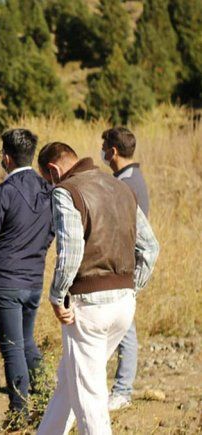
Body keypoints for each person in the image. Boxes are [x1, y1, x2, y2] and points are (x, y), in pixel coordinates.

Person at [36, 143, 159, 434]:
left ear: (53, 171)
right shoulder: (120, 188)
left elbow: (71, 251)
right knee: (70, 382)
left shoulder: (67, 191)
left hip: (88, 307)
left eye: (47, 179)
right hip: (123, 304)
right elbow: (151, 247)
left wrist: (57, 296)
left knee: (89, 399)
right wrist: (131, 288)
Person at [0, 129, 54, 426]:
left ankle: (19, 415)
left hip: (5, 281)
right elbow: (51, 233)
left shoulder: (2, 193)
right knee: (26, 343)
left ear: (6, 157)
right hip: (33, 280)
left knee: (12, 348)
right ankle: (49, 399)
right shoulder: (48, 191)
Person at [100, 127, 150, 411]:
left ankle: (122, 391)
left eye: (104, 146)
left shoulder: (127, 184)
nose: (103, 151)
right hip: (123, 264)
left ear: (114, 151)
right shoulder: (127, 179)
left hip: (123, 265)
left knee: (125, 331)